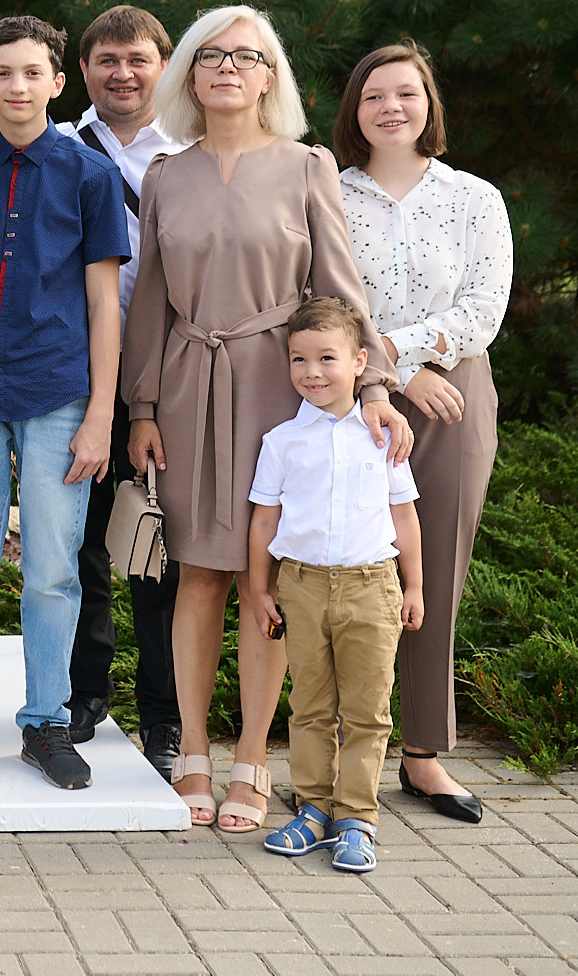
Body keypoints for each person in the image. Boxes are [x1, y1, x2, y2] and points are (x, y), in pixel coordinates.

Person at [122, 4, 411, 832]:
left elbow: (341, 290)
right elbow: (147, 303)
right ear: (188, 74)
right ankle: (193, 756)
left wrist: (374, 387)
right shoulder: (164, 176)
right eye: (209, 55)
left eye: (244, 57)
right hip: (183, 386)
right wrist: (141, 405)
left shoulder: (306, 166)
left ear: (269, 75)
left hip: (279, 392)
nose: (225, 69)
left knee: (269, 577)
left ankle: (254, 756)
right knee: (198, 573)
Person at [0, 16, 129, 792]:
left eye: (31, 72)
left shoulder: (89, 175)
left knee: (52, 569)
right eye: (2, 73)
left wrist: (102, 414)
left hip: (57, 395)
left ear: (56, 82)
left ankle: (46, 721)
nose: (17, 86)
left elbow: (106, 305)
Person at [335, 43, 511, 824]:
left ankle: (423, 753)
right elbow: (322, 299)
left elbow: (484, 308)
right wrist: (396, 375)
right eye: (375, 95)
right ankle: (343, 747)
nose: (391, 108)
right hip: (349, 394)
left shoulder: (475, 199)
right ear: (355, 109)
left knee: (431, 571)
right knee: (344, 567)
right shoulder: (330, 195)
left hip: (456, 397)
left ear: (429, 104)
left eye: (406, 93)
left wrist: (406, 354)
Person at [250, 297, 425, 873]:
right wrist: (259, 588)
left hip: (373, 587)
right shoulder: (281, 442)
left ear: (359, 362)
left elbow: (405, 518)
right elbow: (265, 521)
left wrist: (415, 587)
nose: (312, 372)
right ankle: (312, 809)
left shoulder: (384, 437)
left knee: (368, 710)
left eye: (327, 358)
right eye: (299, 360)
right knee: (310, 706)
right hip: (301, 586)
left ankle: (356, 817)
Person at [56, 7, 183, 773]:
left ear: (163, 65)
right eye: (107, 59)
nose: (123, 73)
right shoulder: (62, 148)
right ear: (83, 70)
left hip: (169, 380)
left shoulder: (194, 152)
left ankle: (165, 718)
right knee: (79, 548)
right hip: (75, 378)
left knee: (155, 552)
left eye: (137, 59)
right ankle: (83, 696)